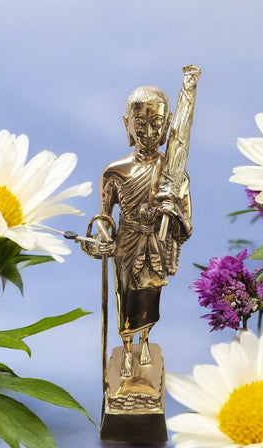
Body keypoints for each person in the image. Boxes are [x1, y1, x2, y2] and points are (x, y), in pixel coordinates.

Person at [84, 85, 192, 378]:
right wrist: (97, 244)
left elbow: (186, 229)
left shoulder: (174, 175)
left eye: (156, 124)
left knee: (149, 296)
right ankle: (126, 343)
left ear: (167, 124)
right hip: (127, 244)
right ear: (127, 124)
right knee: (126, 296)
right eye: (140, 124)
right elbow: (104, 223)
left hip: (154, 244)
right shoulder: (114, 173)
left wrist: (172, 212)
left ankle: (145, 342)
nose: (148, 132)